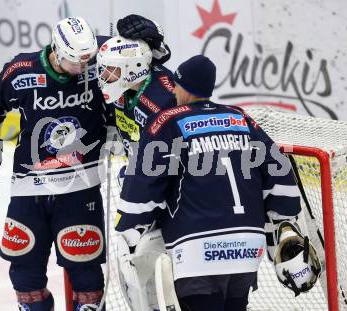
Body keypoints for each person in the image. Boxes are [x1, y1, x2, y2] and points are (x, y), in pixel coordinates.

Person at [0, 15, 167, 311]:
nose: (85, 68)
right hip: (29, 185)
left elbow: (145, 62)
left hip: (81, 184)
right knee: (24, 271)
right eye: (76, 61)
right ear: (58, 51)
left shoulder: (96, 56)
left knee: (86, 275)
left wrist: (151, 40)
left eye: (88, 60)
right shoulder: (21, 70)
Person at [114, 55, 321, 311]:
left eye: (176, 84)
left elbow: (144, 181)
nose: (174, 90)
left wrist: (129, 227)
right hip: (246, 248)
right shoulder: (241, 118)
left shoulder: (167, 121)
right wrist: (285, 221)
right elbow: (279, 167)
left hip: (196, 251)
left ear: (186, 87)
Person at [97, 16, 177, 157]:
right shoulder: (124, 85)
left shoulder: (163, 102)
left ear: (132, 69)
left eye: (109, 69)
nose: (103, 75)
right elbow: (86, 46)